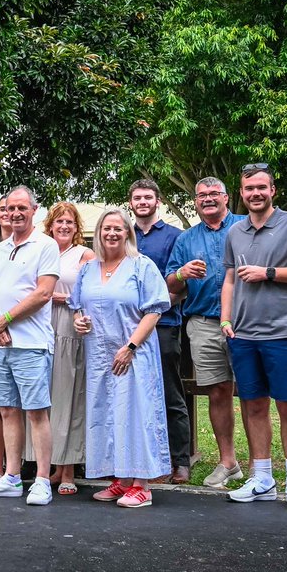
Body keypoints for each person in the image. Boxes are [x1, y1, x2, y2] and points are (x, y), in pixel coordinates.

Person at [221, 164, 287, 511]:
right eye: (249, 188)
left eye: (261, 187)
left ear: (273, 190)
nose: (255, 193)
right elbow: (229, 280)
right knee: (253, 405)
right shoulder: (235, 232)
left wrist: (269, 273)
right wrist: (225, 318)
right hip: (243, 335)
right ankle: (262, 479)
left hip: (282, 333)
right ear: (241, 192)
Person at [71, 207, 171, 508]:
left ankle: (142, 485)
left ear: (128, 232)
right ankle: (122, 480)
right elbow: (77, 305)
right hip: (98, 355)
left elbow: (154, 310)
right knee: (108, 414)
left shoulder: (141, 265)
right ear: (99, 233)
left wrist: (130, 347)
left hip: (133, 353)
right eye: (107, 228)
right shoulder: (89, 269)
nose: (112, 233)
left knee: (136, 414)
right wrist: (79, 321)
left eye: (118, 228)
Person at [0, 186, 60, 505]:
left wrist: (5, 319)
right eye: (10, 208)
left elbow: (43, 293)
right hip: (0, 345)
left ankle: (42, 480)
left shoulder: (46, 245)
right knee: (7, 410)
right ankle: (12, 477)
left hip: (32, 344)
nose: (15, 213)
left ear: (34, 210)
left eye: (21, 208)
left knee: (36, 412)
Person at [165, 177, 247, 488]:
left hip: (245, 321)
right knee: (218, 391)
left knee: (254, 393)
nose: (208, 199)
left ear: (226, 197)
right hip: (203, 323)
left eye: (214, 193)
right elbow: (171, 284)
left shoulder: (244, 226)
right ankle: (228, 462)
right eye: (202, 195)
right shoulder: (186, 239)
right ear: (196, 201)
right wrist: (181, 273)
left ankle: (260, 466)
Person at [130, 179, 191, 483]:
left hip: (164, 325)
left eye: (148, 197)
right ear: (131, 203)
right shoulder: (123, 234)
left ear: (158, 201)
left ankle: (180, 460)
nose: (143, 202)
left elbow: (182, 286)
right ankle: (137, 459)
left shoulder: (175, 237)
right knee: (133, 395)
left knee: (169, 393)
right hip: (127, 327)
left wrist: (156, 307)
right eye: (137, 198)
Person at [33, 203, 94, 494]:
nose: (64, 226)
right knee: (44, 398)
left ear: (76, 226)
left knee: (68, 396)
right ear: (50, 225)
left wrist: (56, 297)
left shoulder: (84, 255)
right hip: (40, 326)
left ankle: (68, 469)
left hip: (69, 326)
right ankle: (51, 467)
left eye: (69, 222)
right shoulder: (41, 250)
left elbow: (87, 293)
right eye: (59, 221)